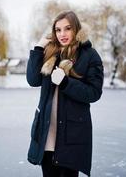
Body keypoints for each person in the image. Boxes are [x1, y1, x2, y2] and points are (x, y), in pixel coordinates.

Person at [26, 10, 104, 177]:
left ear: (76, 29)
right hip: (46, 132)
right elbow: (33, 80)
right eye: (58, 29)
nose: (62, 34)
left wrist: (66, 83)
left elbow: (94, 92)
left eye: (67, 28)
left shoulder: (89, 55)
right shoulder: (50, 51)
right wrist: (39, 48)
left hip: (71, 135)